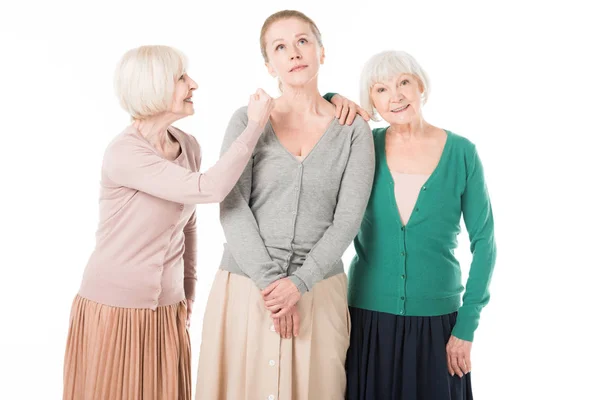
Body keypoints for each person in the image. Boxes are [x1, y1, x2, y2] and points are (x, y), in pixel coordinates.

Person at [63, 45, 275, 400]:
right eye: (181, 78)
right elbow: (209, 189)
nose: (193, 84)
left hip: (168, 307)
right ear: (153, 86)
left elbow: (188, 223)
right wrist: (254, 126)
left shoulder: (187, 145)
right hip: (117, 309)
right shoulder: (125, 153)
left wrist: (188, 288)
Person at [195, 10, 375, 400]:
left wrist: (299, 283)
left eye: (303, 41)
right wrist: (273, 285)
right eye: (280, 46)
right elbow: (232, 204)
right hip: (246, 289)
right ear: (268, 64)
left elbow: (348, 218)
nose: (294, 53)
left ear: (321, 51)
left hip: (319, 292)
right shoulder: (246, 120)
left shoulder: (353, 130)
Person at [329, 50, 497, 400]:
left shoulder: (462, 152)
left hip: (439, 323)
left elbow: (485, 242)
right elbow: (316, 111)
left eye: (403, 82)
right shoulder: (364, 146)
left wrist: (466, 327)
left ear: (420, 85)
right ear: (370, 101)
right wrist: (334, 98)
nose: (396, 96)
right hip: (369, 320)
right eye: (380, 89)